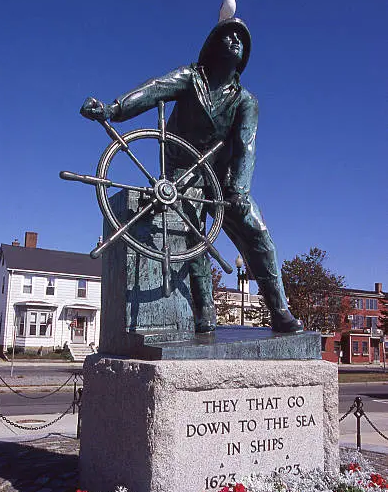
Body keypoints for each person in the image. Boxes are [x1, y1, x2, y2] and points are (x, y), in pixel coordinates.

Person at [81, 18, 303, 334]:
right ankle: (204, 311)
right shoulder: (190, 78)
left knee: (258, 234)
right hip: (183, 174)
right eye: (229, 36)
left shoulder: (245, 101)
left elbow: (246, 147)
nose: (236, 41)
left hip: (224, 179)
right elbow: (152, 90)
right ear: (213, 45)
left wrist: (239, 189)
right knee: (193, 234)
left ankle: (280, 310)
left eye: (241, 39)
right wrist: (112, 110)